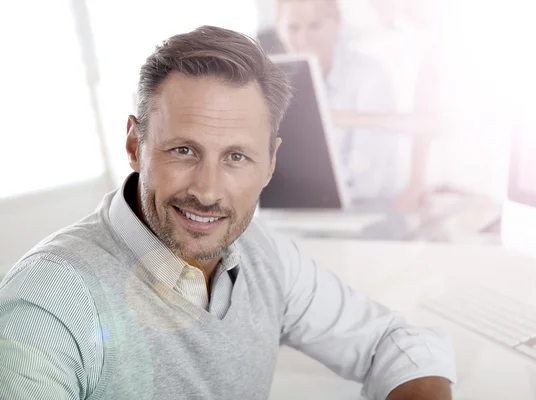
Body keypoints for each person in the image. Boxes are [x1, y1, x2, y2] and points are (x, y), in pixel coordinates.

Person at [0, 26, 455, 399]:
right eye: (184, 150)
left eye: (236, 157)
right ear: (136, 145)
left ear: (271, 163)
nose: (208, 190)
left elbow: (394, 343)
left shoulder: (262, 256)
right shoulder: (46, 305)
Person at [275, 0, 426, 210]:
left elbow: (367, 183)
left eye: (315, 25)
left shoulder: (369, 77)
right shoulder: (272, 83)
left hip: (366, 212)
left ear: (336, 23)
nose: (303, 39)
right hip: (298, 211)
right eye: (293, 28)